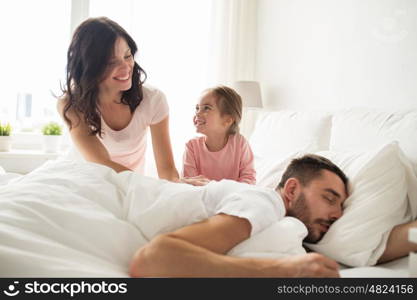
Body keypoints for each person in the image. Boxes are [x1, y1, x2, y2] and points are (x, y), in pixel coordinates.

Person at [130, 154, 349, 277]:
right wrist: (286, 271)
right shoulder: (265, 203)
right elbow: (152, 259)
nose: (337, 214)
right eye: (329, 199)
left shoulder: (278, 220)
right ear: (291, 190)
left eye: (341, 206)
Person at [57, 17, 179, 181]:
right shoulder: (71, 104)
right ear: (90, 67)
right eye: (111, 62)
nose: (125, 68)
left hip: (131, 185)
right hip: (81, 182)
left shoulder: (153, 100)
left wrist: (179, 188)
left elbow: (167, 170)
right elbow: (101, 163)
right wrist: (153, 187)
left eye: (128, 56)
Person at [182, 86, 256, 185]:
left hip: (234, 198)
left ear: (227, 120)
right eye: (197, 108)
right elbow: (190, 184)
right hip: (202, 197)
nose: (198, 113)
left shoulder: (240, 144)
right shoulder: (191, 147)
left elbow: (248, 179)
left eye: (206, 108)